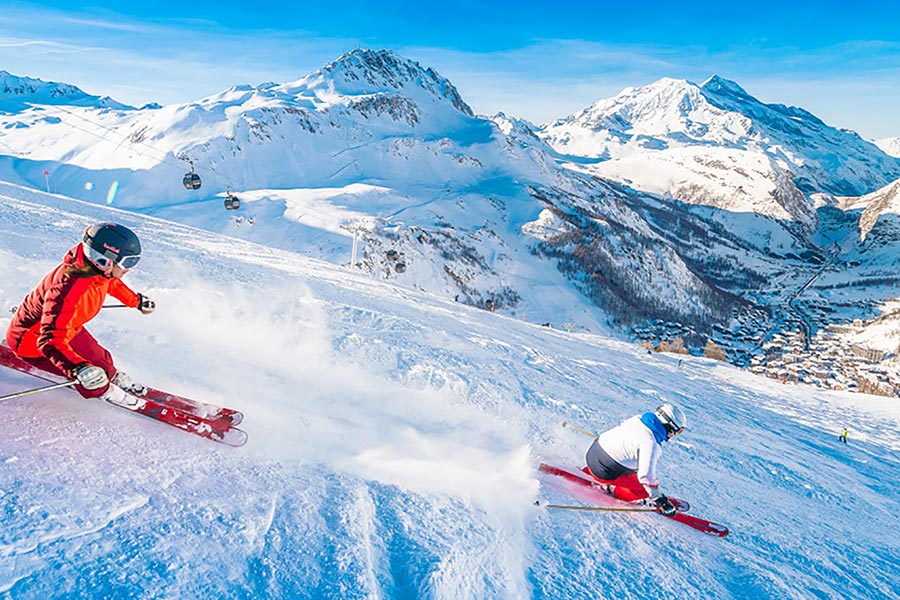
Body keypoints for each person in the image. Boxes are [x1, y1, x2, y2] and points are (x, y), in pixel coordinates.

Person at [5, 223, 155, 406]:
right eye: (128, 262)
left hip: (69, 328)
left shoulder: (96, 270)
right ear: (104, 259)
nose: (129, 268)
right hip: (31, 343)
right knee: (91, 376)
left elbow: (112, 284)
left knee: (102, 359)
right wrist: (78, 368)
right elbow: (49, 341)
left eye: (134, 261)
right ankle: (108, 391)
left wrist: (136, 301)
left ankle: (112, 376)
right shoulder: (67, 290)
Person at [583, 403, 688, 516]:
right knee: (643, 488)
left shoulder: (638, 419)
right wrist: (660, 500)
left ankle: (588, 471)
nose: (675, 435)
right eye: (678, 431)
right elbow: (646, 476)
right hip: (604, 471)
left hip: (592, 453)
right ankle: (618, 492)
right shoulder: (651, 444)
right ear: (670, 427)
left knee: (632, 461)